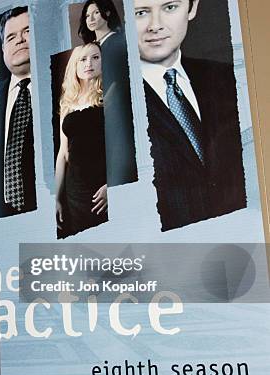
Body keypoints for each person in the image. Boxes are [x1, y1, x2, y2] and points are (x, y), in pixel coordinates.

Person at [134, 0, 246, 231]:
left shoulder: (225, 77)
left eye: (170, 7)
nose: (155, 25)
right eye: (141, 12)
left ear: (192, 7)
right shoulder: (112, 100)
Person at [78, 0, 137, 186]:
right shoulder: (90, 49)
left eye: (95, 13)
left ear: (107, 13)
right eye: (87, 16)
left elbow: (120, 81)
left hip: (115, 111)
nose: (91, 19)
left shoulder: (117, 41)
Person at [55, 43, 108, 237]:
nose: (89, 64)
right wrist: (57, 197)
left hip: (101, 186)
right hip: (75, 190)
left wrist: (113, 186)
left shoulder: (109, 96)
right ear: (74, 66)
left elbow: (122, 148)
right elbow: (63, 153)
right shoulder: (67, 103)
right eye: (83, 59)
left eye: (95, 57)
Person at [0, 6, 37, 218]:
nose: (19, 40)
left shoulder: (60, 82)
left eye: (27, 31)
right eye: (11, 37)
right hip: (4, 219)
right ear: (3, 49)